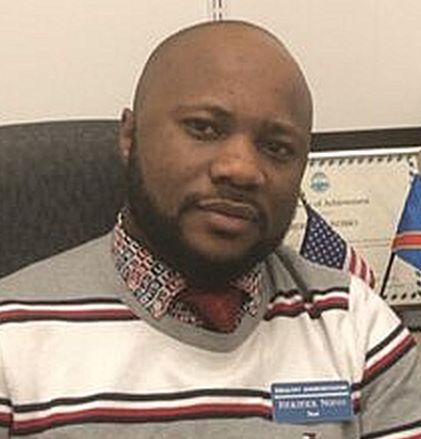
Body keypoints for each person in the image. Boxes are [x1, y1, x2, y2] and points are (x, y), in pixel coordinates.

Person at [0, 20, 420, 439]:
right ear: (129, 136)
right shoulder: (12, 339)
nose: (241, 169)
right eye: (204, 128)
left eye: (277, 147)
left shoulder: (355, 325)